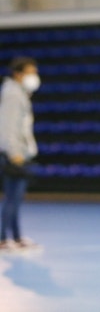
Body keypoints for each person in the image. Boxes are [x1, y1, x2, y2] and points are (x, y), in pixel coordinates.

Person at [0, 56, 41, 251]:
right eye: (30, 72)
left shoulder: (19, 93)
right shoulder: (13, 94)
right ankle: (2, 239)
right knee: (12, 198)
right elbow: (7, 126)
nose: (34, 76)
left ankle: (15, 237)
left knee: (16, 198)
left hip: (20, 153)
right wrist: (13, 152)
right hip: (13, 154)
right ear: (18, 74)